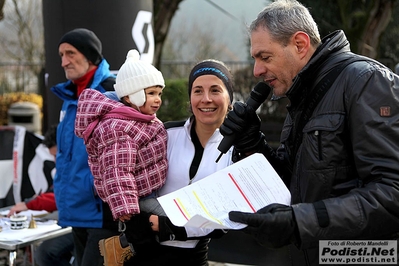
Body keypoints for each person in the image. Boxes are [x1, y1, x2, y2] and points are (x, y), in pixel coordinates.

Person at [219, 1, 399, 265]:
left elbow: (392, 192)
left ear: (300, 44)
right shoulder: (301, 94)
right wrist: (252, 144)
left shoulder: (365, 81)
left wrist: (298, 222)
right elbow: (297, 183)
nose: (257, 70)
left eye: (265, 57)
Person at [124, 59, 237, 266]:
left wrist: (165, 226)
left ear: (230, 98)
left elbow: (227, 219)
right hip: (142, 249)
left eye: (215, 90)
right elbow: (127, 175)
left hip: (193, 257)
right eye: (197, 91)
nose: (206, 99)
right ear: (190, 98)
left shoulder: (237, 149)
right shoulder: (163, 133)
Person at [75, 49, 168, 266]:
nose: (157, 100)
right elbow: (116, 169)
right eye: (151, 93)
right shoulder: (119, 127)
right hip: (139, 198)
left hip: (148, 191)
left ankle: (123, 245)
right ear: (131, 95)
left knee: (150, 238)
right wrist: (124, 205)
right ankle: (119, 247)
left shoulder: (138, 118)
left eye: (159, 94)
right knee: (171, 222)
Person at [51, 28, 119, 266]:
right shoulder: (69, 96)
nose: (64, 62)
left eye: (70, 53)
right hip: (77, 212)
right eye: (61, 55)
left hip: (104, 213)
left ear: (90, 56)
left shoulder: (112, 91)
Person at [7, 124, 76, 266]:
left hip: (87, 224)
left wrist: (29, 204)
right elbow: (56, 193)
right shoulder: (67, 167)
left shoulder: (80, 165)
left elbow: (62, 197)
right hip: (78, 222)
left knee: (45, 252)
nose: (56, 161)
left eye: (57, 156)